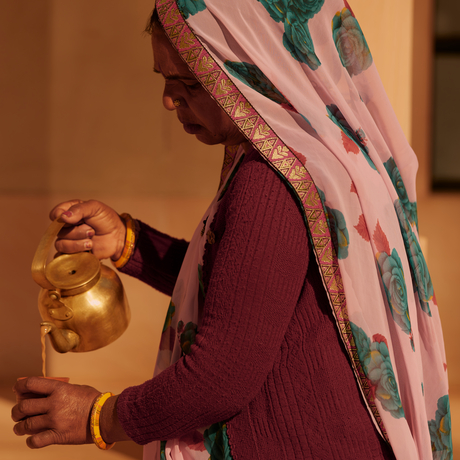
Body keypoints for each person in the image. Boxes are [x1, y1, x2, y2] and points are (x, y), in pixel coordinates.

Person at [12, 0, 452, 459]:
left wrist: (98, 416)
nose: (169, 100)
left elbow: (219, 378)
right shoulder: (322, 163)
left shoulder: (270, 182)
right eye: (164, 80)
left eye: (187, 82)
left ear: (253, 73)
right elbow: (253, 295)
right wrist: (130, 243)